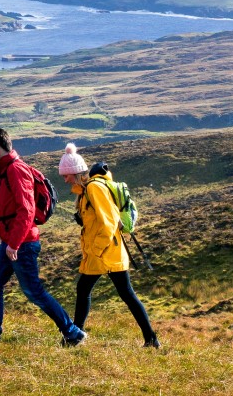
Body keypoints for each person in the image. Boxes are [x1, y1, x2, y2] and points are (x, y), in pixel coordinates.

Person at [0, 128, 86, 345]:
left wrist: (14, 244)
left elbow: (26, 211)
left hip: (22, 243)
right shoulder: (9, 169)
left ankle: (73, 333)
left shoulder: (16, 170)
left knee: (34, 292)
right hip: (11, 241)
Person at [59, 144, 160, 348]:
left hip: (104, 252)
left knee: (92, 290)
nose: (65, 180)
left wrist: (95, 249)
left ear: (75, 173)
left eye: (66, 175)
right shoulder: (86, 191)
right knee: (121, 293)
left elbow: (109, 222)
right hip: (106, 251)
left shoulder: (94, 188)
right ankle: (151, 339)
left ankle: (75, 336)